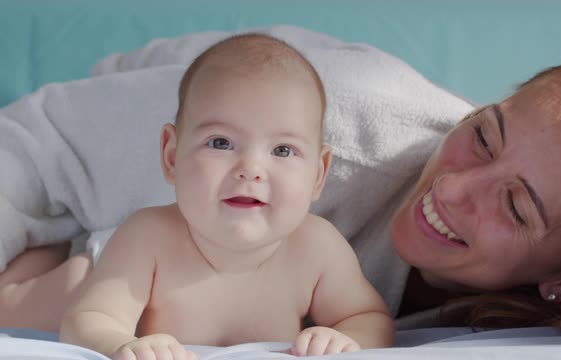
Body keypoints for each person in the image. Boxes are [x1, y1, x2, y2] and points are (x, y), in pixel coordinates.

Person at [2, 33, 561, 345]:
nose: (453, 187)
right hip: (97, 142)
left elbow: (360, 321)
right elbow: (36, 141)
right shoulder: (330, 123)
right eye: (485, 133)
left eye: (515, 205)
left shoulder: (546, 325)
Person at [57, 33, 395, 359]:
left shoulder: (317, 248)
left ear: (319, 174)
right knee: (17, 301)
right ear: (172, 156)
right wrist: (120, 344)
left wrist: (345, 339)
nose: (251, 169)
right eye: (221, 143)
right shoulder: (146, 238)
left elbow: (369, 318)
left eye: (282, 149)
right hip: (87, 271)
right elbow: (88, 320)